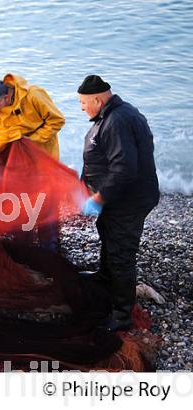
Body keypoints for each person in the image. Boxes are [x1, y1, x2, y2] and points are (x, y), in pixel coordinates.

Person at [78, 75, 159, 332]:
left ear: (98, 99)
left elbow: (124, 168)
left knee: (121, 254)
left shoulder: (117, 121)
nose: (81, 108)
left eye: (83, 103)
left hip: (128, 199)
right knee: (108, 234)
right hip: (116, 198)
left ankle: (122, 316)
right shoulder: (112, 115)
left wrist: (99, 198)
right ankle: (104, 278)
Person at [0, 73, 65, 250]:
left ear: (6, 97)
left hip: (41, 159)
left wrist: (33, 140)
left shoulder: (33, 95)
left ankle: (50, 245)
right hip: (13, 161)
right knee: (19, 200)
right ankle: (23, 241)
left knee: (46, 201)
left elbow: (57, 120)